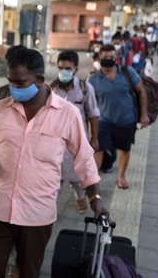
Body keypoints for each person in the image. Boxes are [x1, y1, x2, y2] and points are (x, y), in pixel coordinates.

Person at [0, 45, 108, 278]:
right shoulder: (0, 109)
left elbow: (84, 156)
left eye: (20, 83)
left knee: (29, 271)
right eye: (10, 82)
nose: (13, 89)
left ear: (39, 80)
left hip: (37, 216)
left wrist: (95, 198)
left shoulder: (67, 114)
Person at [88, 44, 150, 189]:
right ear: (99, 59)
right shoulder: (93, 80)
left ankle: (121, 176)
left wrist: (144, 114)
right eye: (105, 57)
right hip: (104, 120)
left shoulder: (128, 72)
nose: (109, 59)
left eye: (111, 57)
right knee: (98, 150)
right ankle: (93, 181)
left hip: (126, 120)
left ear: (116, 58)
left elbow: (141, 91)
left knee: (124, 149)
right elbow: (90, 104)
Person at [50, 50, 100, 214]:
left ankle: (80, 197)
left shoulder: (85, 88)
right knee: (54, 178)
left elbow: (93, 113)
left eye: (68, 69)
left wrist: (94, 138)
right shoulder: (52, 89)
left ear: (76, 69)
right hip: (56, 143)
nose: (64, 72)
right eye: (61, 68)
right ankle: (50, 209)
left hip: (78, 142)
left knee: (78, 178)